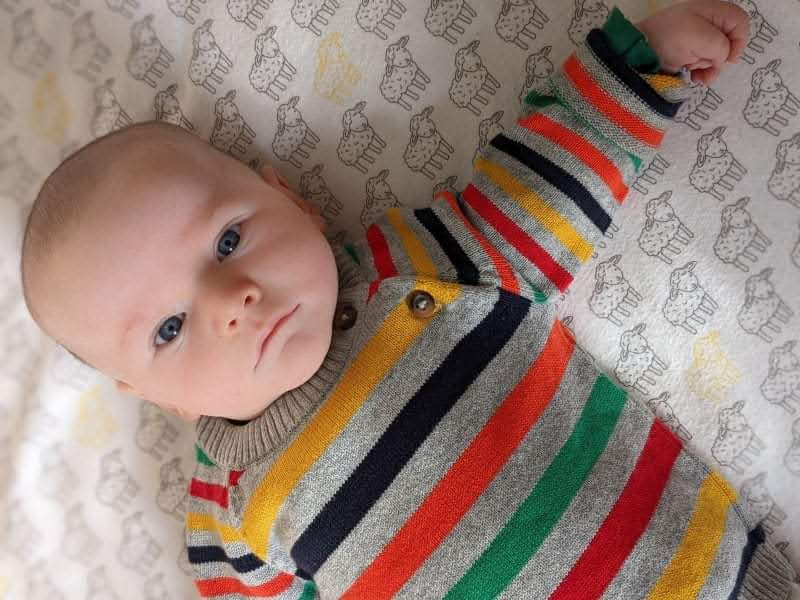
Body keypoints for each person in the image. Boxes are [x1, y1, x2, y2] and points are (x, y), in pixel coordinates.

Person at [20, 1, 800, 597]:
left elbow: (544, 187)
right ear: (154, 395)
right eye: (168, 328)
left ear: (291, 200)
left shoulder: (422, 270)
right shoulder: (227, 520)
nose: (232, 301)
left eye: (227, 241)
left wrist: (643, 63)